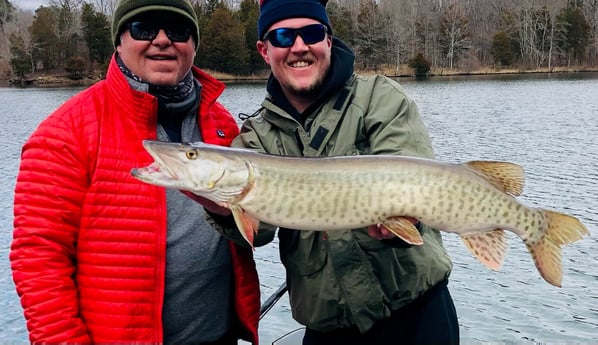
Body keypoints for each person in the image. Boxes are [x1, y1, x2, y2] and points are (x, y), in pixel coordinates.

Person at [9, 0, 259, 344]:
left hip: (220, 336)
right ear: (119, 41)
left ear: (193, 45)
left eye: (177, 30)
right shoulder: (64, 132)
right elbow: (37, 260)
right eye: (144, 29)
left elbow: (254, 228)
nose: (161, 40)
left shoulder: (223, 125)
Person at [228, 0, 460, 344]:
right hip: (328, 329)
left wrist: (399, 222)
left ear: (328, 41)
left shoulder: (379, 98)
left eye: (311, 33)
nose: (299, 47)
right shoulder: (255, 136)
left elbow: (411, 175)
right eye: (282, 36)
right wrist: (220, 207)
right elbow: (258, 233)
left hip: (416, 316)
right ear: (265, 50)